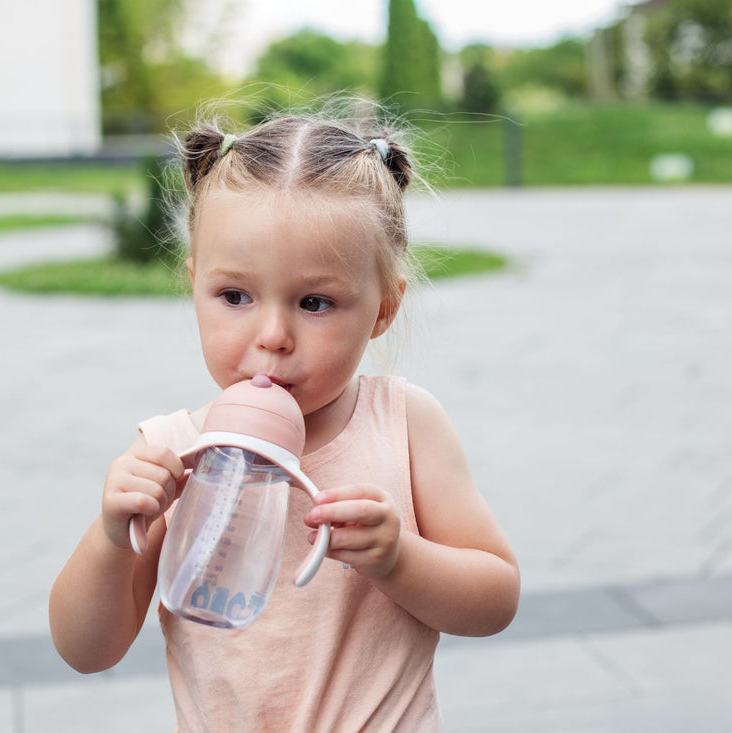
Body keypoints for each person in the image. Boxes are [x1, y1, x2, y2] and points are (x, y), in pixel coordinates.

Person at [49, 107, 520, 731]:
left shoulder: (402, 423)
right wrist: (111, 538)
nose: (272, 337)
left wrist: (398, 558)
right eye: (235, 297)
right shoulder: (174, 453)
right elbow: (87, 650)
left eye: (315, 302)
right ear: (195, 287)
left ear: (382, 309)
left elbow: (495, 600)